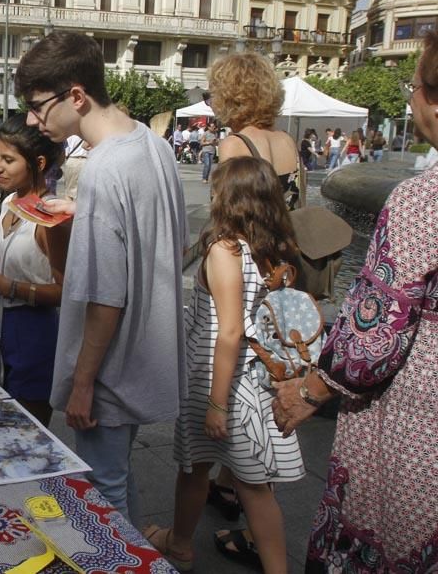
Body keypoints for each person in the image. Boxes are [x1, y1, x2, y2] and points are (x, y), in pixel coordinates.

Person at [272, 30, 438, 573]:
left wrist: (310, 390)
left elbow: (374, 334)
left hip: (416, 432)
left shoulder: (421, 202)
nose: (410, 99)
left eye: (413, 86)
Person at [15, 31, 188, 524]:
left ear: (76, 96)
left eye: (38, 106)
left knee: (102, 496)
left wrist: (83, 382)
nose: (33, 119)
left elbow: (106, 297)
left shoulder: (104, 168)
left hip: (112, 368)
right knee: (120, 477)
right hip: (145, 356)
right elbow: (160, 237)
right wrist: (83, 210)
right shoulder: (152, 145)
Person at [144, 157, 305, 574]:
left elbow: (229, 330)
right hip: (253, 376)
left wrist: (217, 404)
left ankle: (181, 546)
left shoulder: (224, 250)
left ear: (229, 199)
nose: (211, 195)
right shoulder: (274, 249)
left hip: (219, 379)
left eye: (217, 190)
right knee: (250, 484)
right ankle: (264, 565)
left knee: (202, 470)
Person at [0, 116, 68, 426]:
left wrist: (8, 286)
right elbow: (5, 265)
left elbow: (65, 291)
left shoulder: (51, 218)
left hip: (33, 337)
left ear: (39, 162)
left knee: (27, 436)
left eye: (8, 159)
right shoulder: (8, 202)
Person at [212, 52, 302, 211]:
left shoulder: (235, 144)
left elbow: (230, 214)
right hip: (291, 235)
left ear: (227, 97)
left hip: (254, 236)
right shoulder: (288, 141)